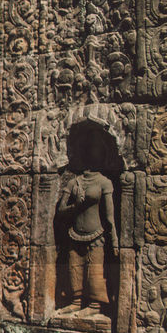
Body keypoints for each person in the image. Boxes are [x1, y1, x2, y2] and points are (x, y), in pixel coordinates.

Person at [57, 136, 118, 317]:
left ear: (103, 156)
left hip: (96, 235)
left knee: (95, 271)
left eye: (97, 151)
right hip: (74, 234)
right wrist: (77, 206)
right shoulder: (73, 182)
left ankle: (94, 305)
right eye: (90, 150)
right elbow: (61, 210)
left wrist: (114, 240)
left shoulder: (104, 182)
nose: (93, 154)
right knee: (74, 268)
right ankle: (76, 302)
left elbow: (109, 216)